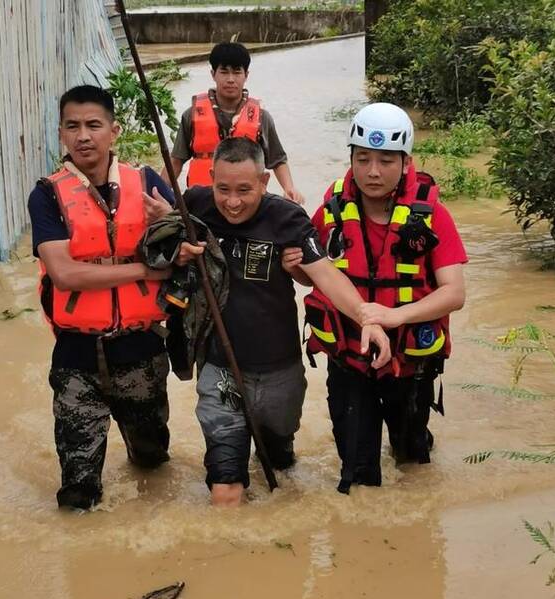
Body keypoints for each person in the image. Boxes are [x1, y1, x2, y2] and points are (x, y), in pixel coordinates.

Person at [175, 136, 391, 507]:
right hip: (220, 369)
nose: (232, 201)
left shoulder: (287, 218)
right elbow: (150, 234)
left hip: (280, 371)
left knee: (279, 462)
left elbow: (323, 273)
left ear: (264, 181)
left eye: (245, 189)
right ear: (210, 178)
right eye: (222, 188)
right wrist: (171, 248)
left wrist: (365, 316)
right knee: (226, 488)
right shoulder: (194, 205)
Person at [292, 103, 467, 494]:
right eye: (363, 159)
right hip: (349, 359)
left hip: (409, 363)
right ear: (351, 159)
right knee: (357, 475)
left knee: (412, 458)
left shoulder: (432, 216)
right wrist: (294, 268)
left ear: (407, 163)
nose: (373, 171)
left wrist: (394, 316)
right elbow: (313, 280)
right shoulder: (331, 212)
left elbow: (454, 293)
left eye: (386, 161)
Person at [28, 85, 178, 510]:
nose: (83, 136)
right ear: (61, 134)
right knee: (77, 491)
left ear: (113, 131)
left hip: (142, 349)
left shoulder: (148, 184)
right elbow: (63, 273)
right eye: (72, 127)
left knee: (153, 466)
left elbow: (191, 246)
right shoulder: (47, 195)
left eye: (94, 125)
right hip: (77, 356)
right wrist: (146, 271)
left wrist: (171, 220)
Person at [164, 42, 304, 204]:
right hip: (202, 203)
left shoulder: (261, 118)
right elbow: (176, 161)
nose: (230, 79)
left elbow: (278, 160)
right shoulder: (192, 115)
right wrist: (158, 192)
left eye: (237, 72)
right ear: (213, 74)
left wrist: (289, 188)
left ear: (246, 75)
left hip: (245, 205)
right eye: (224, 72)